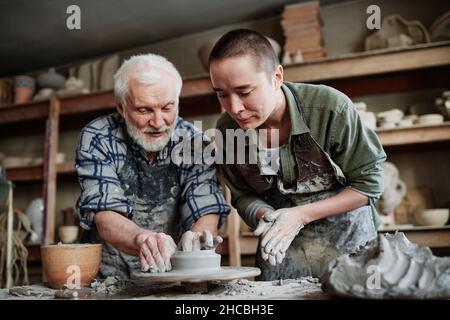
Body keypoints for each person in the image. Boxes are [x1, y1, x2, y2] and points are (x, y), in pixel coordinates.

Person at [209, 29, 386, 280]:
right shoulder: (227, 129)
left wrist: (300, 216)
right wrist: (267, 215)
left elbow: (370, 184)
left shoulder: (329, 108)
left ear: (277, 76)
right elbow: (242, 195)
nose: (234, 108)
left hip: (347, 241)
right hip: (281, 247)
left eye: (245, 92)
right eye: (222, 94)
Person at [75, 54, 230, 279]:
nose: (158, 123)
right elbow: (105, 216)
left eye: (167, 108)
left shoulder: (195, 143)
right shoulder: (97, 137)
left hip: (171, 271)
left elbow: (205, 207)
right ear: (121, 106)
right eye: (144, 110)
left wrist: (198, 240)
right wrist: (144, 240)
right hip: (106, 274)